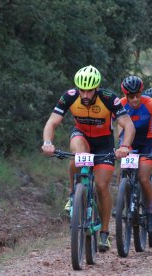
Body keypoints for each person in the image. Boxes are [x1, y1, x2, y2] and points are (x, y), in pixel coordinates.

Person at [41, 65, 135, 252]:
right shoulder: (69, 96)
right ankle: (72, 196)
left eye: (89, 90)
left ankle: (104, 234)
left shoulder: (109, 99)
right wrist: (47, 142)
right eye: (81, 90)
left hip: (104, 144)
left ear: (96, 88)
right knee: (79, 155)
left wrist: (124, 146)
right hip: (81, 136)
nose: (84, 95)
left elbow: (128, 125)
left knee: (101, 186)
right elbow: (52, 122)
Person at [118, 76, 152, 233]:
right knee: (120, 170)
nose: (135, 99)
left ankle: (150, 212)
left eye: (138, 95)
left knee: (143, 177)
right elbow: (114, 127)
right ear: (125, 95)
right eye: (130, 96)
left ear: (141, 92)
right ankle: (122, 201)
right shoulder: (121, 104)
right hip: (129, 142)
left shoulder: (149, 103)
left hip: (147, 143)